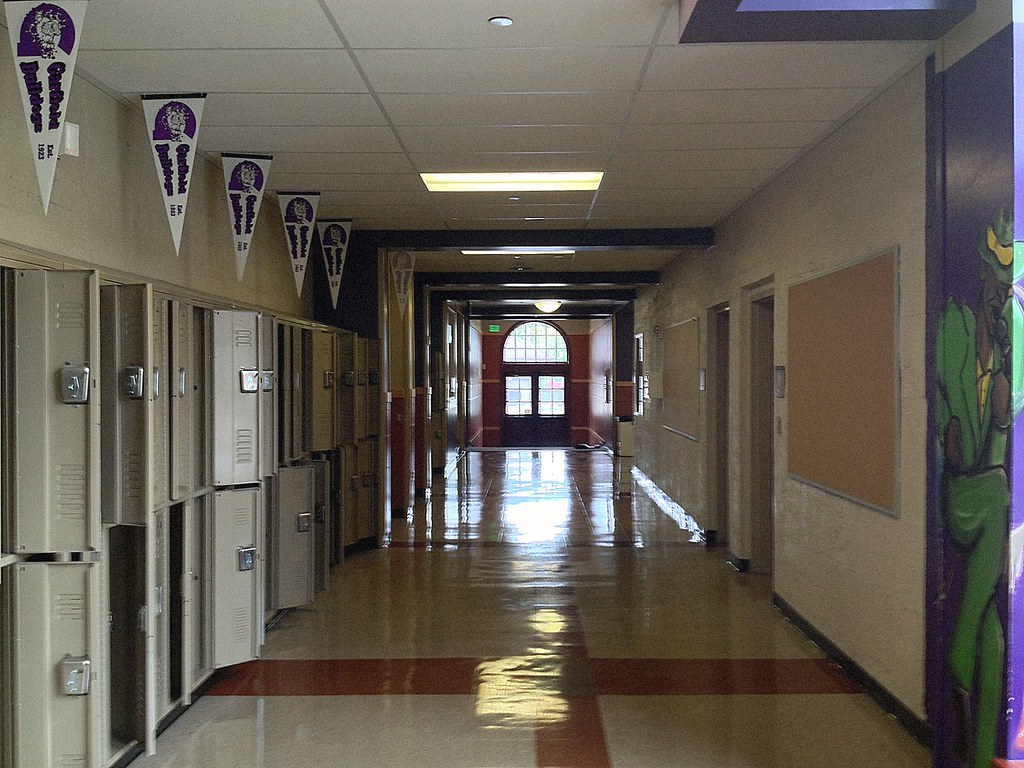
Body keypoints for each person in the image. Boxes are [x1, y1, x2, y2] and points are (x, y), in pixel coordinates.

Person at [937, 207, 1021, 768]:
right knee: (998, 491)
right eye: (997, 280)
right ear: (982, 273)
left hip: (989, 492)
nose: (1001, 295)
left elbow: (1002, 435)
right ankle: (958, 647)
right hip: (962, 495)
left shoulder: (1011, 343)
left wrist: (1004, 414)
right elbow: (961, 448)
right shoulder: (955, 325)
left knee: (996, 638)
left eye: (1009, 287)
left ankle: (978, 754)